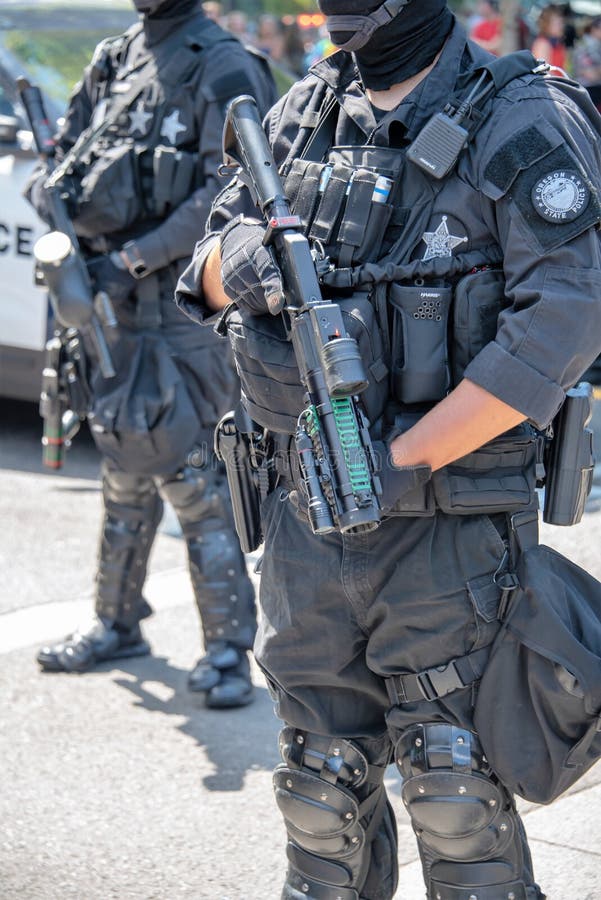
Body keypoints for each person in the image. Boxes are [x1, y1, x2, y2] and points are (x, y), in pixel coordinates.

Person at [177, 0, 601, 894]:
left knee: (455, 799)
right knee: (316, 798)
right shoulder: (300, 113)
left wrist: (399, 459)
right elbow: (205, 266)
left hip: (446, 532)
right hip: (306, 521)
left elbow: (561, 324)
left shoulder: (518, 114)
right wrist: (246, 257)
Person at [27, 0, 277, 708]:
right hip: (109, 301)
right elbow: (70, 156)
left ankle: (228, 649)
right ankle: (115, 622)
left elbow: (230, 191)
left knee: (194, 476)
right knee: (120, 464)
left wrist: (136, 257)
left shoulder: (223, 64)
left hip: (179, 306)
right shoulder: (116, 56)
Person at [531, 3, 568, 71]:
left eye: (562, 22)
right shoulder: (542, 44)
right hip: (553, 81)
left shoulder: (557, 43)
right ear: (546, 25)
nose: (561, 26)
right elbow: (545, 74)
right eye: (557, 23)